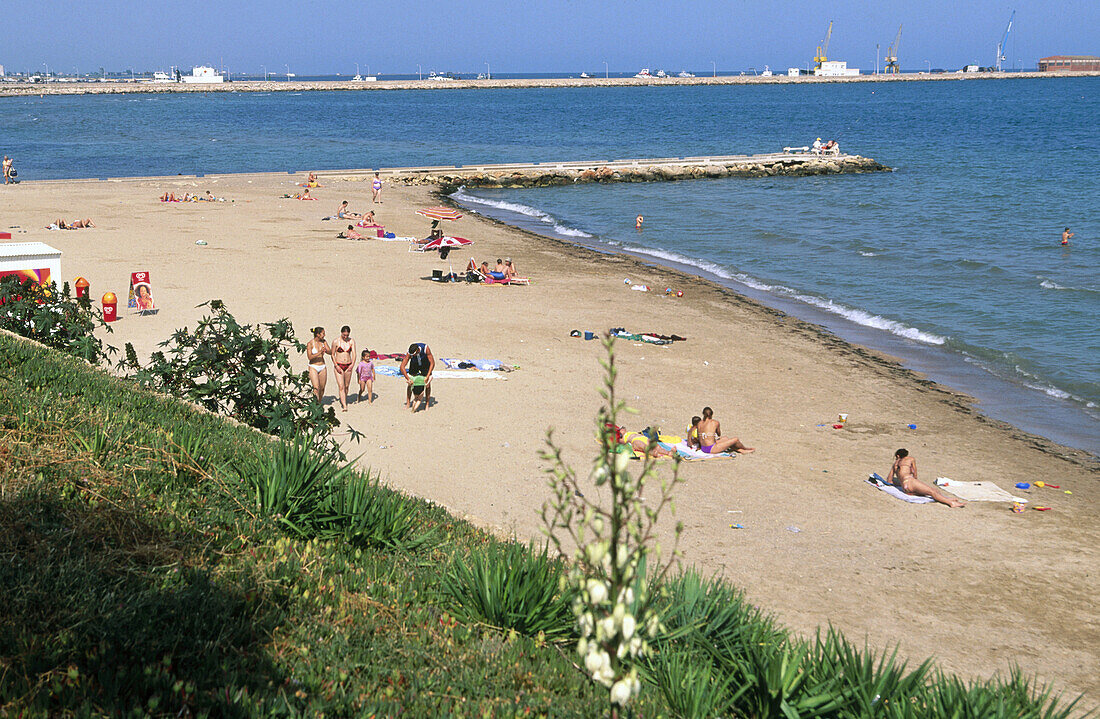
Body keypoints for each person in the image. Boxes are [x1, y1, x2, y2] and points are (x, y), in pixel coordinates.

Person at [886, 449, 965, 507]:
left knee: (933, 491)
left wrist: (898, 482)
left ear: (898, 456)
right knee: (932, 491)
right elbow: (914, 472)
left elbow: (889, 480)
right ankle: (951, 503)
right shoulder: (910, 459)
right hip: (910, 481)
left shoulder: (895, 464)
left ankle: (946, 499)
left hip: (905, 489)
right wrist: (915, 481)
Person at [400, 342, 435, 411]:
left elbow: (432, 363)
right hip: (414, 364)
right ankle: (408, 403)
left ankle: (427, 404)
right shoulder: (410, 353)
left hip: (425, 364)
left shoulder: (425, 348)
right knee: (410, 384)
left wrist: (427, 376)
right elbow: (402, 367)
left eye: (414, 354)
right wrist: (408, 378)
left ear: (418, 350)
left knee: (427, 385)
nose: (413, 355)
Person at [331, 325, 357, 412]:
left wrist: (352, 364)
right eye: (344, 335)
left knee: (346, 386)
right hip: (339, 364)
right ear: (341, 333)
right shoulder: (336, 341)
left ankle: (344, 398)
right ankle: (344, 405)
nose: (345, 337)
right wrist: (336, 365)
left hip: (348, 364)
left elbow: (354, 353)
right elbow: (332, 354)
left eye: (347, 335)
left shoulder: (351, 341)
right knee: (341, 386)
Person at [306, 327, 330, 403]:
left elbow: (330, 352)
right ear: (318, 334)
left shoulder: (324, 342)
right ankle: (315, 405)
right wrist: (319, 352)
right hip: (313, 366)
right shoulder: (310, 344)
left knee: (322, 388)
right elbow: (310, 357)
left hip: (322, 366)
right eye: (323, 333)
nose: (324, 335)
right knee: (316, 387)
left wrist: (327, 350)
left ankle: (319, 402)